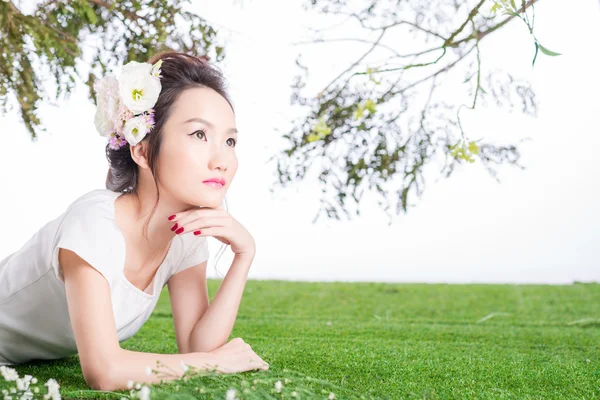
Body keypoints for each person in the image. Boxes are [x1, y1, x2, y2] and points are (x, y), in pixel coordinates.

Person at [0, 51, 269, 391]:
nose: (223, 160)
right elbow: (104, 371)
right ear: (142, 150)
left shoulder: (185, 236)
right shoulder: (95, 222)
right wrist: (217, 363)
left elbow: (197, 344)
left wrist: (244, 256)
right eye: (199, 134)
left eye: (229, 140)